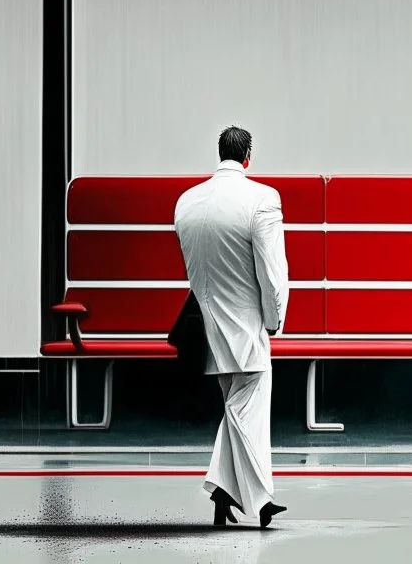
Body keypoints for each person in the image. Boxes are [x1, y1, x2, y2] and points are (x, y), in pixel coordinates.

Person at [174, 126, 289, 529]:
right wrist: (274, 320)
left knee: (236, 407)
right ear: (248, 157)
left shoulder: (187, 203)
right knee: (247, 407)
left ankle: (224, 492)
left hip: (206, 328)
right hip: (247, 326)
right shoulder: (262, 200)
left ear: (219, 152)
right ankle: (260, 501)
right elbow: (272, 273)